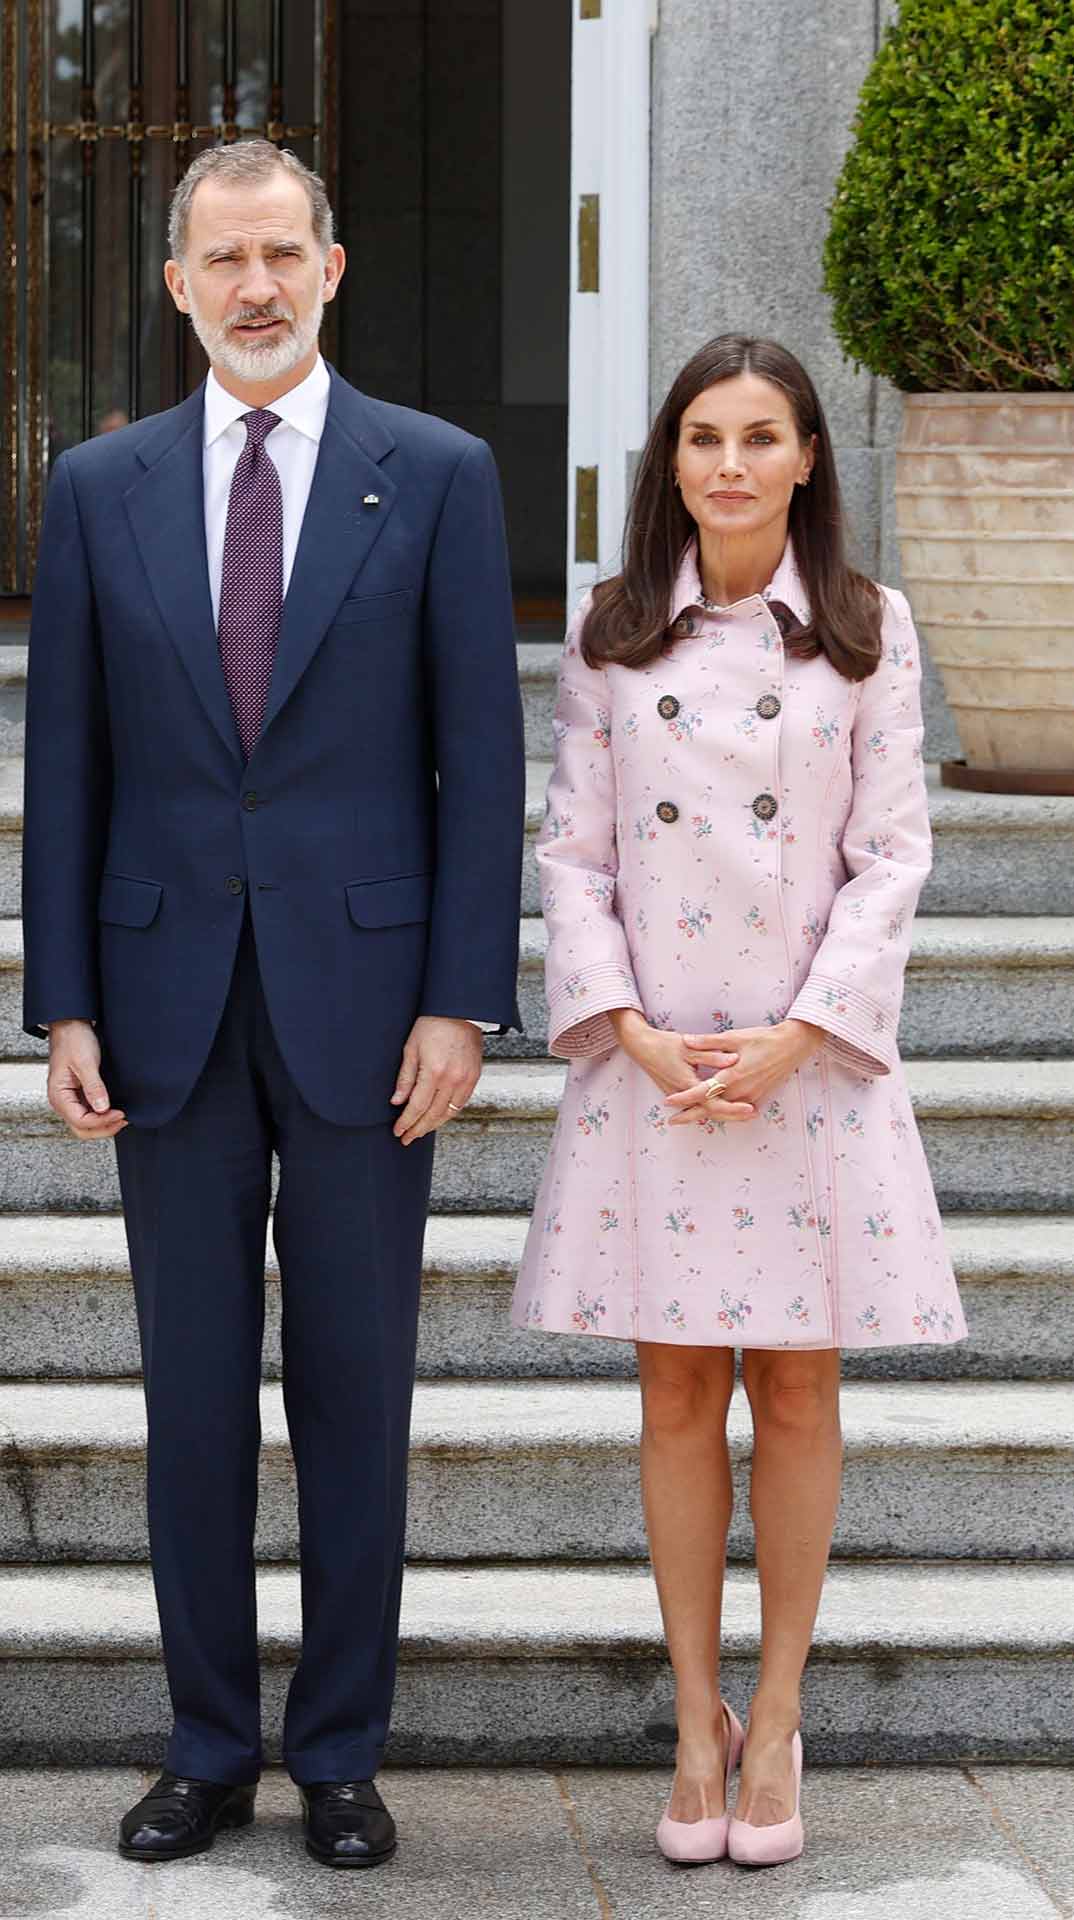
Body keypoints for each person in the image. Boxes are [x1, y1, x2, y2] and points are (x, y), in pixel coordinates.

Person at [22, 138, 524, 1869]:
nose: (252, 287)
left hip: (372, 1007)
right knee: (192, 1396)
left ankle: (342, 1753)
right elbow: (65, 761)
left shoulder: (436, 475)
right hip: (159, 1003)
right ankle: (205, 1744)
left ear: (332, 267)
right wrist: (62, 996)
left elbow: (481, 753)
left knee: (356, 1388)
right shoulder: (101, 489)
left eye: (280, 255)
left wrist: (466, 995)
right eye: (220, 260)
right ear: (176, 285)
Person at [512, 334, 966, 1869]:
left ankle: (777, 1714)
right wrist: (622, 1024)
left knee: (796, 1390)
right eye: (701, 436)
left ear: (805, 458)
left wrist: (806, 1030)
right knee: (674, 1394)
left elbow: (892, 853)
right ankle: (693, 1712)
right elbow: (570, 848)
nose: (727, 464)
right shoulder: (612, 634)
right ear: (670, 462)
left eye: (758, 436)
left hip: (802, 1070)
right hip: (657, 1065)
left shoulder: (863, 628)